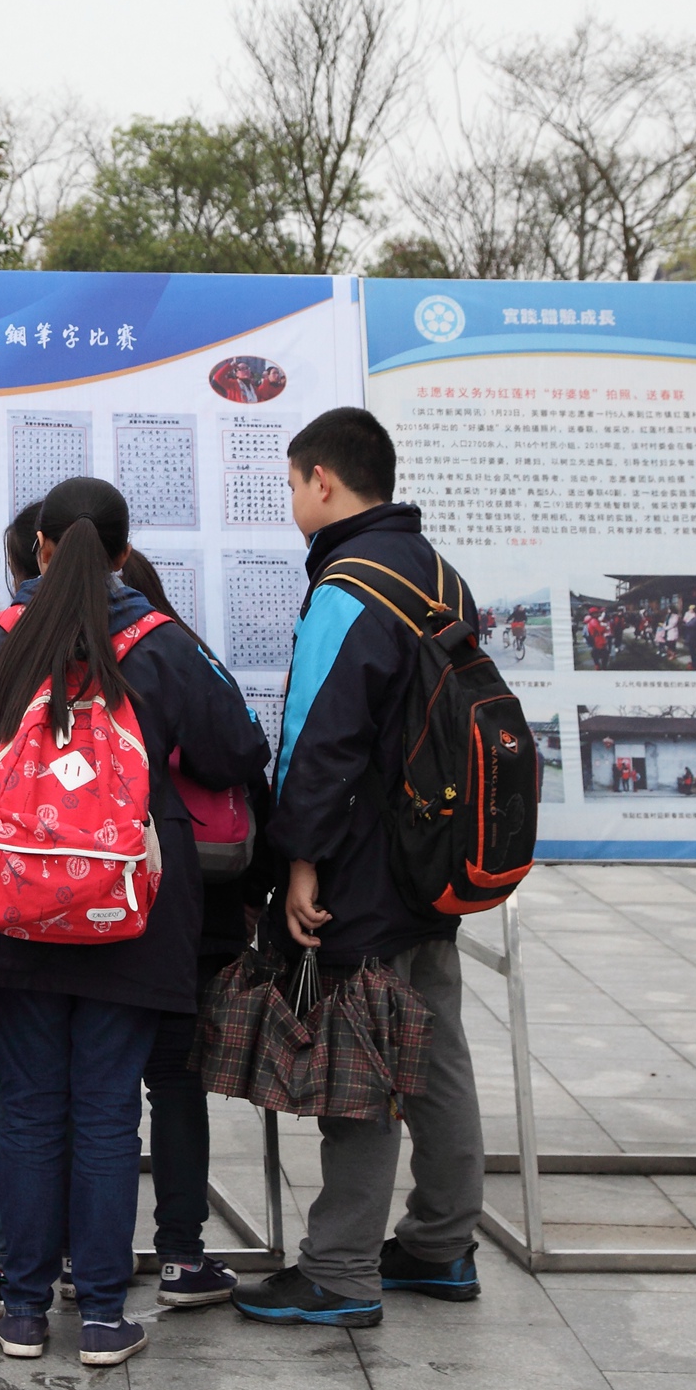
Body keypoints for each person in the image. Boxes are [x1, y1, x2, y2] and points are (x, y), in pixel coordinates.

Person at [0, 478, 267, 1367]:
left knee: (31, 1111)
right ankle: (105, 1318)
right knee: (110, 1113)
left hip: (14, 910)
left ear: (39, 548)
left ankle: (23, 1312)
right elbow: (239, 748)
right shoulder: (162, 643)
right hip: (132, 909)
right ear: (123, 553)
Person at [231, 406, 485, 1330]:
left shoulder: (348, 583)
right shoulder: (439, 574)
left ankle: (340, 1272)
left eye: (292, 484)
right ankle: (442, 1243)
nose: (293, 500)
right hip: (433, 857)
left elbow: (320, 736)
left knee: (360, 1063)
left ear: (323, 481)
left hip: (365, 866)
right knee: (438, 1051)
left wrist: (299, 858)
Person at [117, 547, 271, 1313]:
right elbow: (244, 756)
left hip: (100, 900)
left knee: (105, 1085)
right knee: (175, 1082)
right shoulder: (186, 654)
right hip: (197, 901)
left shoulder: (71, 664)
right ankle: (181, 1257)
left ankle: (91, 1254)